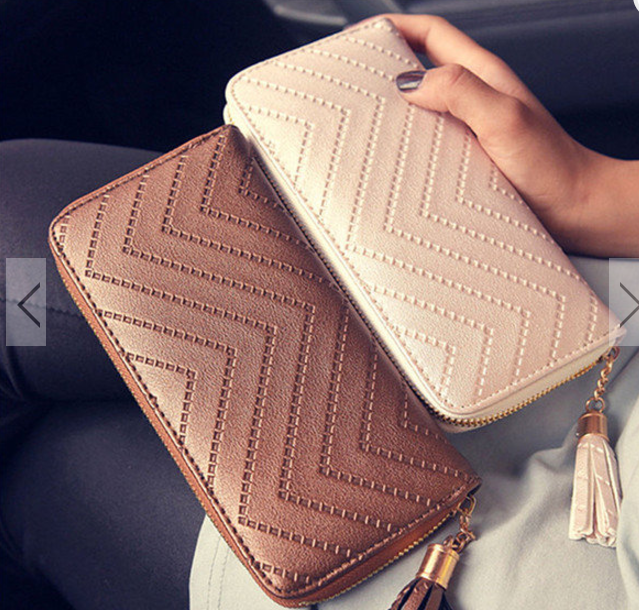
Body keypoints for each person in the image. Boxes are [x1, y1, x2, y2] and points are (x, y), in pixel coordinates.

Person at [0, 14, 637, 610]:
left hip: (549, 543)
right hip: (575, 311)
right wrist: (592, 196)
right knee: (19, 230)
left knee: (53, 464)